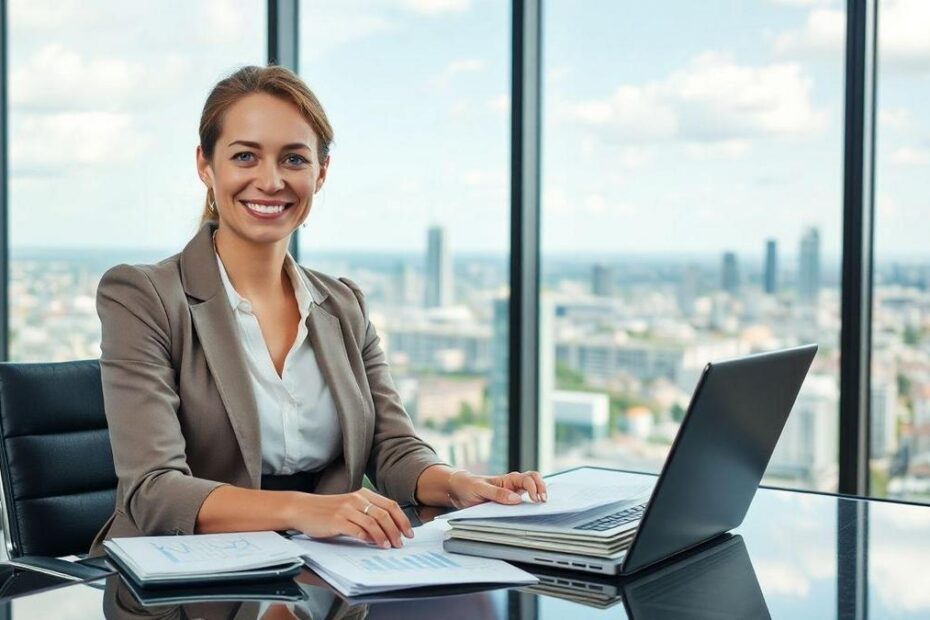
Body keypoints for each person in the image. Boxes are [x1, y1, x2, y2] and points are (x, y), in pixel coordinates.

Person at [89, 65, 546, 556]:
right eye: (245, 156)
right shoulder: (143, 296)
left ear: (320, 173)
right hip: (184, 585)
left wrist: (457, 483)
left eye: (294, 159)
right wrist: (306, 510)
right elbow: (154, 491)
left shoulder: (343, 305)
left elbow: (392, 448)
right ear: (205, 165)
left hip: (323, 569)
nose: (270, 181)